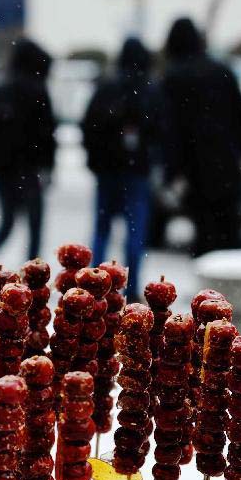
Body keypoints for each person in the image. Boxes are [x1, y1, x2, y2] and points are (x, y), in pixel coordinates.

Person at [161, 17, 241, 254]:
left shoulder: (173, 77)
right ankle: (231, 283)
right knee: (229, 230)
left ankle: (209, 287)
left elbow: (169, 129)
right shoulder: (222, 71)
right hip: (227, 162)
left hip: (195, 167)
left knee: (204, 232)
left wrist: (172, 170)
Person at [81, 37, 162, 302]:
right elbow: (161, 130)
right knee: (135, 233)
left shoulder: (107, 88)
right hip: (137, 171)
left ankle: (94, 285)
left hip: (107, 170)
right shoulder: (149, 90)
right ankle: (132, 285)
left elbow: (89, 126)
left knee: (101, 229)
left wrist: (95, 160)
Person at [0, 38, 57, 279]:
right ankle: (32, 277)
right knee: (35, 224)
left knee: (7, 223)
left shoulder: (3, 89)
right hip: (30, 168)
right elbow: (47, 132)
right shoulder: (38, 89)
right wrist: (49, 165)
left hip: (5, 168)